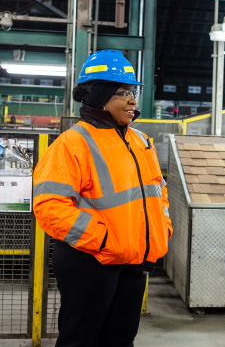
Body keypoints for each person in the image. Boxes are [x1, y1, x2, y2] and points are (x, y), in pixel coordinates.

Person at [33, 49, 173, 347]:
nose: (133, 100)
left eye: (133, 91)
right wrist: (105, 239)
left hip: (134, 261)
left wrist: (162, 226)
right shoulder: (72, 143)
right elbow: (49, 206)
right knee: (80, 339)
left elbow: (158, 189)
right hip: (90, 261)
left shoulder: (141, 141)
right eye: (124, 92)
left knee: (121, 340)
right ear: (99, 95)